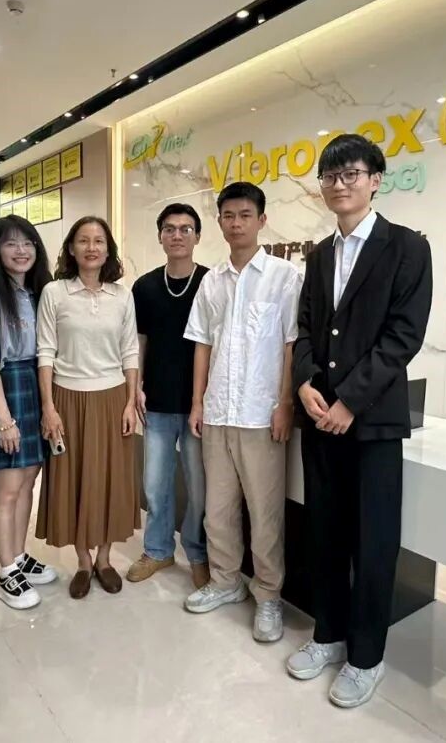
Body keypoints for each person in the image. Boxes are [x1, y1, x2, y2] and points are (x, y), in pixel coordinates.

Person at [287, 133, 432, 708]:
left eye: (351, 174)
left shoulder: (407, 247)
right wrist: (304, 382)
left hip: (371, 422)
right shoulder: (320, 253)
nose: (339, 184)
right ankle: (328, 633)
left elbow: (403, 336)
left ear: (375, 180)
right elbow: (305, 327)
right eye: (330, 176)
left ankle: (366, 656)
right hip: (319, 417)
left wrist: (349, 400)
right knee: (324, 531)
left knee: (373, 541)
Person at [183, 181, 301, 644]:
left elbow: (291, 344)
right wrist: (198, 402)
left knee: (265, 513)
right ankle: (226, 580)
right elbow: (202, 344)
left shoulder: (284, 276)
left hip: (260, 415)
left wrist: (285, 403)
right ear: (219, 222)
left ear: (262, 220)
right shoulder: (211, 281)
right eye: (228, 216)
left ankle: (268, 595)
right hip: (218, 412)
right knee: (218, 509)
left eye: (245, 215)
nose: (236, 224)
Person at [35, 216, 141, 599]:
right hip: (67, 397)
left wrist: (130, 402)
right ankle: (82, 560)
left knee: (112, 480)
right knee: (75, 480)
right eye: (83, 240)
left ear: (108, 249)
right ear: (71, 248)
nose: (91, 247)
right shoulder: (55, 293)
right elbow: (45, 351)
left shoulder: (122, 296)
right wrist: (48, 407)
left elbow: (130, 350)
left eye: (98, 241)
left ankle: (105, 559)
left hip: (113, 398)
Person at [0, 215, 57, 611]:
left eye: (27, 243)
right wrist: (4, 420)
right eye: (10, 243)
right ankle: (6, 573)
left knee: (27, 482)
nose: (21, 250)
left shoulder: (40, 292)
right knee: (6, 488)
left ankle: (19, 557)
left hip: (37, 387)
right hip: (7, 388)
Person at [127, 204, 210, 589]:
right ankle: (158, 550)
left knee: (200, 488)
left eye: (186, 229)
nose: (178, 235)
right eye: (170, 229)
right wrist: (136, 387)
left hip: (199, 406)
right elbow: (139, 341)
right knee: (155, 485)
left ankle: (197, 553)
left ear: (197, 236)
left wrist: (203, 399)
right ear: (160, 236)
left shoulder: (210, 282)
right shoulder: (144, 287)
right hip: (157, 403)